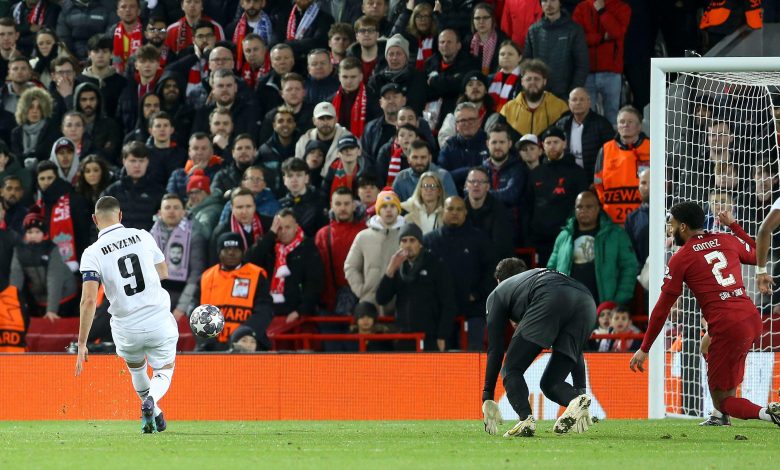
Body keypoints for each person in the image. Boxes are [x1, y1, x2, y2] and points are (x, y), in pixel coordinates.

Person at [629, 202, 780, 428]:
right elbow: (755, 252)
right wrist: (735, 226)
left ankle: (768, 413)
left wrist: (644, 348)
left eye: (671, 225)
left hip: (727, 324)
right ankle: (720, 416)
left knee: (724, 400)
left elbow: (661, 309)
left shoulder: (681, 258)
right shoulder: (725, 239)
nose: (670, 230)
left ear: (682, 227)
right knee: (706, 345)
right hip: (749, 316)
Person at [75, 196, 179, 434]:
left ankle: (155, 410)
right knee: (164, 369)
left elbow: (89, 300)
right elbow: (163, 272)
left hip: (126, 326)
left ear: (94, 220)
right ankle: (152, 401)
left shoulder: (91, 253)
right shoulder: (143, 235)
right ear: (120, 215)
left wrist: (82, 342)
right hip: (157, 319)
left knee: (136, 369)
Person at [481, 258, 596, 437]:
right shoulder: (539, 275)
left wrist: (487, 395)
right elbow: (576, 352)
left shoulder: (498, 292)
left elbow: (495, 349)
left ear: (498, 281)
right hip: (587, 301)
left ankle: (525, 419)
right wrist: (580, 390)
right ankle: (576, 400)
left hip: (549, 296)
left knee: (511, 368)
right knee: (551, 383)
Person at [424, 196, 494, 351]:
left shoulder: (479, 239)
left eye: (459, 209)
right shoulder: (430, 241)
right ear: (442, 211)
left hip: (473, 309)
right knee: (440, 363)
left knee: (473, 357)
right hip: (439, 313)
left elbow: (490, 272)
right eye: (450, 209)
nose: (454, 212)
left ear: (465, 212)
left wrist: (476, 294)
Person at [376, 222, 456, 351]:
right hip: (404, 336)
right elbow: (381, 298)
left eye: (412, 240)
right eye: (404, 241)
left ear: (420, 243)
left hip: (430, 336)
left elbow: (448, 303)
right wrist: (390, 271)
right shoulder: (397, 268)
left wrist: (442, 335)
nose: (408, 245)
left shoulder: (435, 265)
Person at [547, 190, 637, 305]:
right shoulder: (564, 236)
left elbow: (629, 267)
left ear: (598, 208)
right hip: (567, 308)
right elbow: (551, 270)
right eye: (579, 207)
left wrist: (619, 300)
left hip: (605, 310)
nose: (583, 210)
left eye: (589, 207)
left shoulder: (616, 235)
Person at [192, 231, 273, 351]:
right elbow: (194, 311)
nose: (231, 252)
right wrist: (209, 342)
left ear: (243, 251)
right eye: (226, 249)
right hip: (211, 346)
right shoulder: (206, 277)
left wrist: (241, 337)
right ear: (219, 252)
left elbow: (264, 311)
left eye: (236, 249)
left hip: (247, 346)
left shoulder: (257, 275)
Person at [245, 208, 324, 322]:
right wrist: (270, 234)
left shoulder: (308, 248)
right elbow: (249, 261)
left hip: (296, 314)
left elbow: (314, 283)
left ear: (296, 227)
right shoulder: (269, 247)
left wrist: (301, 311)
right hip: (270, 312)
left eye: (288, 227)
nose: (283, 231)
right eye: (279, 228)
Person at [525, 126, 588, 265]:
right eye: (548, 143)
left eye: (556, 142)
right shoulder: (535, 173)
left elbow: (583, 206)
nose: (552, 146)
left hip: (568, 237)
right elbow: (527, 207)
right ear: (543, 146)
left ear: (564, 143)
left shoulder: (577, 173)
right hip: (540, 240)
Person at [344, 188, 405, 313]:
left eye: (393, 206)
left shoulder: (407, 237)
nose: (388, 210)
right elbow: (350, 266)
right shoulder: (363, 236)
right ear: (378, 210)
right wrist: (362, 291)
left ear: (398, 209)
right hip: (369, 304)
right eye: (384, 206)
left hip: (400, 304)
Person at [572, 0, 631, 127]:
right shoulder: (582, 8)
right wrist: (601, 38)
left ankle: (613, 146)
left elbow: (616, 32)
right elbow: (578, 37)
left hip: (612, 71)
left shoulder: (622, 7)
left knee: (613, 117)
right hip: (587, 71)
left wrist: (602, 11)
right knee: (586, 117)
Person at [10, 210, 77, 320]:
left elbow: (54, 280)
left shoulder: (52, 249)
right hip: (40, 298)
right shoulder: (19, 252)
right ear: (25, 234)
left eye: (37, 232)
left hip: (65, 295)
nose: (33, 235)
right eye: (30, 232)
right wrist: (11, 307)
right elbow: (15, 280)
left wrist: (51, 310)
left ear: (43, 234)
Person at [150, 193, 207, 321]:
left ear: (183, 212)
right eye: (167, 207)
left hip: (180, 294)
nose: (171, 211)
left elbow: (196, 274)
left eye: (176, 207)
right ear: (160, 212)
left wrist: (181, 307)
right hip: (153, 293)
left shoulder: (194, 235)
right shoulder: (150, 235)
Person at [593, 105, 649, 226]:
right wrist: (605, 203)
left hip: (644, 219)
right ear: (617, 126)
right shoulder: (605, 149)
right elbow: (598, 182)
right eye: (622, 122)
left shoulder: (651, 147)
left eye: (630, 122)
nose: (625, 125)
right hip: (612, 219)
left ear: (639, 126)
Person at [523, 0, 588, 100]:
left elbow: (582, 65)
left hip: (564, 95)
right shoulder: (533, 30)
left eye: (553, 0)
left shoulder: (574, 30)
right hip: (538, 94)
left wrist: (572, 94)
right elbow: (526, 64)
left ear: (560, 2)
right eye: (544, 1)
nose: (549, 4)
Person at [314, 187, 365, 315]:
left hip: (362, 299)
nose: (342, 208)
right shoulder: (322, 234)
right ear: (331, 205)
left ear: (354, 205)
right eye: (338, 204)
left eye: (347, 204)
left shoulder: (366, 231)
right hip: (328, 301)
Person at [552, 87, 614, 181]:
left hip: (593, 178)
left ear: (589, 102)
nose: (578, 103)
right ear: (569, 103)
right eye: (574, 99)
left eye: (582, 99)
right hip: (566, 179)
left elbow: (611, 154)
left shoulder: (602, 124)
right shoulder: (561, 124)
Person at [101, 142, 166, 231]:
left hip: (146, 242)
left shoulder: (158, 192)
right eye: (133, 161)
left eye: (141, 161)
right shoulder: (111, 192)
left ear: (147, 162)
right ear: (124, 161)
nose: (137, 165)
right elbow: (100, 223)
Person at [499, 59, 568, 136]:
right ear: (522, 82)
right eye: (528, 79)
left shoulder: (560, 107)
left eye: (537, 79)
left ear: (544, 81)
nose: (532, 82)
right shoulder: (508, 109)